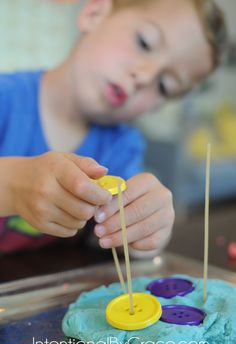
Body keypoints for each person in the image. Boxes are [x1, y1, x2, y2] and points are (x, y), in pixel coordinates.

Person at [0, 0, 227, 254]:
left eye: (164, 85)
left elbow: (117, 243)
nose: (144, 75)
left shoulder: (122, 147)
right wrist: (11, 185)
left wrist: (146, 232)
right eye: (144, 43)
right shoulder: (5, 98)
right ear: (94, 13)